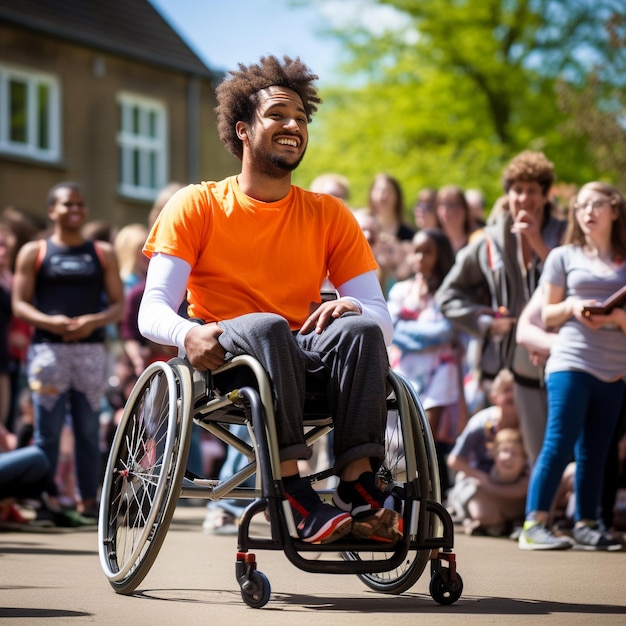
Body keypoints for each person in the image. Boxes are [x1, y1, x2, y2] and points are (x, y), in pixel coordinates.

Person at [138, 55, 400, 545]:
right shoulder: (196, 204)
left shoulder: (329, 214)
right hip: (228, 356)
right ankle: (293, 489)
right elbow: (151, 309)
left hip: (301, 355)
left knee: (359, 328)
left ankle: (357, 486)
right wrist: (187, 333)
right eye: (278, 115)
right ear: (243, 129)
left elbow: (383, 318)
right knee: (266, 325)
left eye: (301, 118)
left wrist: (357, 308)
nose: (293, 125)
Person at [518, 181, 626, 551]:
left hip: (615, 369)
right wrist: (574, 308)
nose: (587, 212)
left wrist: (615, 320)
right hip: (570, 362)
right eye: (580, 205)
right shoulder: (562, 256)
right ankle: (534, 523)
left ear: (614, 208)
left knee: (596, 450)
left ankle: (588, 523)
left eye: (596, 203)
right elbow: (547, 313)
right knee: (559, 443)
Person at [435, 151, 565, 452]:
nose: (524, 198)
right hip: (501, 373)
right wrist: (486, 322)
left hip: (554, 361)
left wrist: (536, 242)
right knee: (506, 454)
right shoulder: (489, 239)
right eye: (518, 190)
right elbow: (447, 295)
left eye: (532, 190)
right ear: (508, 194)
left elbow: (574, 282)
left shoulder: (563, 233)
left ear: (545, 195)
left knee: (554, 450)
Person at [12, 182, 124, 519]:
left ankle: (88, 501)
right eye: (66, 204)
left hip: (90, 353)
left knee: (89, 430)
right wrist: (50, 322)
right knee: (47, 431)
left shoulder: (102, 252)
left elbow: (118, 305)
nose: (75, 210)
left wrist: (94, 321)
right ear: (52, 211)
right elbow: (20, 304)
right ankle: (45, 499)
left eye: (80, 204)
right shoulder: (35, 251)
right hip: (49, 353)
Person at [386, 228, 461, 493]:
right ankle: (403, 491)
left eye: (427, 252)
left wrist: (409, 330)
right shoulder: (401, 289)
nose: (420, 257)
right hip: (406, 369)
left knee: (424, 434)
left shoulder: (449, 292)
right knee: (400, 434)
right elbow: (390, 329)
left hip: (440, 371)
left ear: (439, 255)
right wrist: (427, 335)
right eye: (416, 251)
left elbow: (447, 331)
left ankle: (430, 491)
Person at [435, 185, 473, 256]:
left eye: (455, 204)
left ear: (465, 209)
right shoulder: (433, 244)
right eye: (444, 204)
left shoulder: (476, 240)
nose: (449, 210)